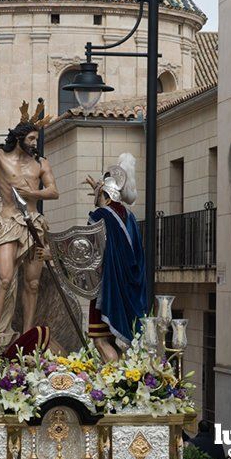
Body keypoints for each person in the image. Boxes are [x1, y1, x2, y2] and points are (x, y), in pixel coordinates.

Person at [0, 100, 59, 347]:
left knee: (33, 282)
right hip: (8, 222)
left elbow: (53, 191)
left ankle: (27, 332)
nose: (33, 143)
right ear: (18, 138)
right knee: (3, 279)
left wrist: (33, 195)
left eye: (35, 139)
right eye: (30, 138)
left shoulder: (41, 163)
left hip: (33, 225)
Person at [84, 153, 146, 362]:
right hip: (128, 290)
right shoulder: (130, 217)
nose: (96, 200)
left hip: (106, 288)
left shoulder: (101, 216)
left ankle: (109, 384)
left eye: (99, 195)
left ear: (107, 196)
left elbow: (86, 249)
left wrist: (53, 254)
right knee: (112, 340)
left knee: (100, 340)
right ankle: (118, 378)